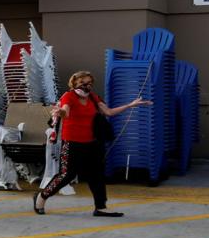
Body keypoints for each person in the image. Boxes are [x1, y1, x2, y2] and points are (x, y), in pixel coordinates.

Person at [33, 71, 151, 217]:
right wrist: (59, 112)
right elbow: (66, 112)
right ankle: (42, 197)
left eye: (89, 83)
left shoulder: (93, 98)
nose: (87, 86)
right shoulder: (68, 96)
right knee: (66, 175)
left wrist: (130, 105)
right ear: (74, 83)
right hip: (71, 143)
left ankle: (100, 207)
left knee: (96, 175)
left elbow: (109, 112)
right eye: (83, 83)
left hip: (91, 143)